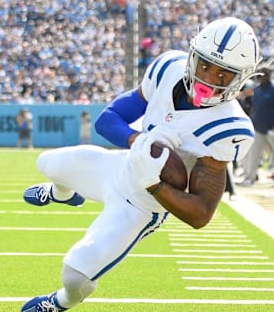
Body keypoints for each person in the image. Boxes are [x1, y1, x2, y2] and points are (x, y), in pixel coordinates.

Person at [18, 17, 259, 311]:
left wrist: (153, 183)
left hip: (144, 205)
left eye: (224, 74)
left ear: (241, 77)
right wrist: (138, 141)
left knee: (75, 273)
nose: (209, 79)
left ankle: (59, 303)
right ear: (192, 56)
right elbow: (107, 120)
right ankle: (65, 194)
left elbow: (200, 214)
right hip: (121, 167)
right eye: (205, 65)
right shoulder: (168, 68)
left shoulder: (229, 127)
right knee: (48, 163)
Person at [237, 67, 274, 186]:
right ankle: (250, 178)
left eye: (266, 74)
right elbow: (254, 107)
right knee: (254, 154)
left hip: (273, 128)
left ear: (269, 75)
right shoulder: (257, 89)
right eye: (261, 74)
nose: (263, 76)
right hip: (258, 127)